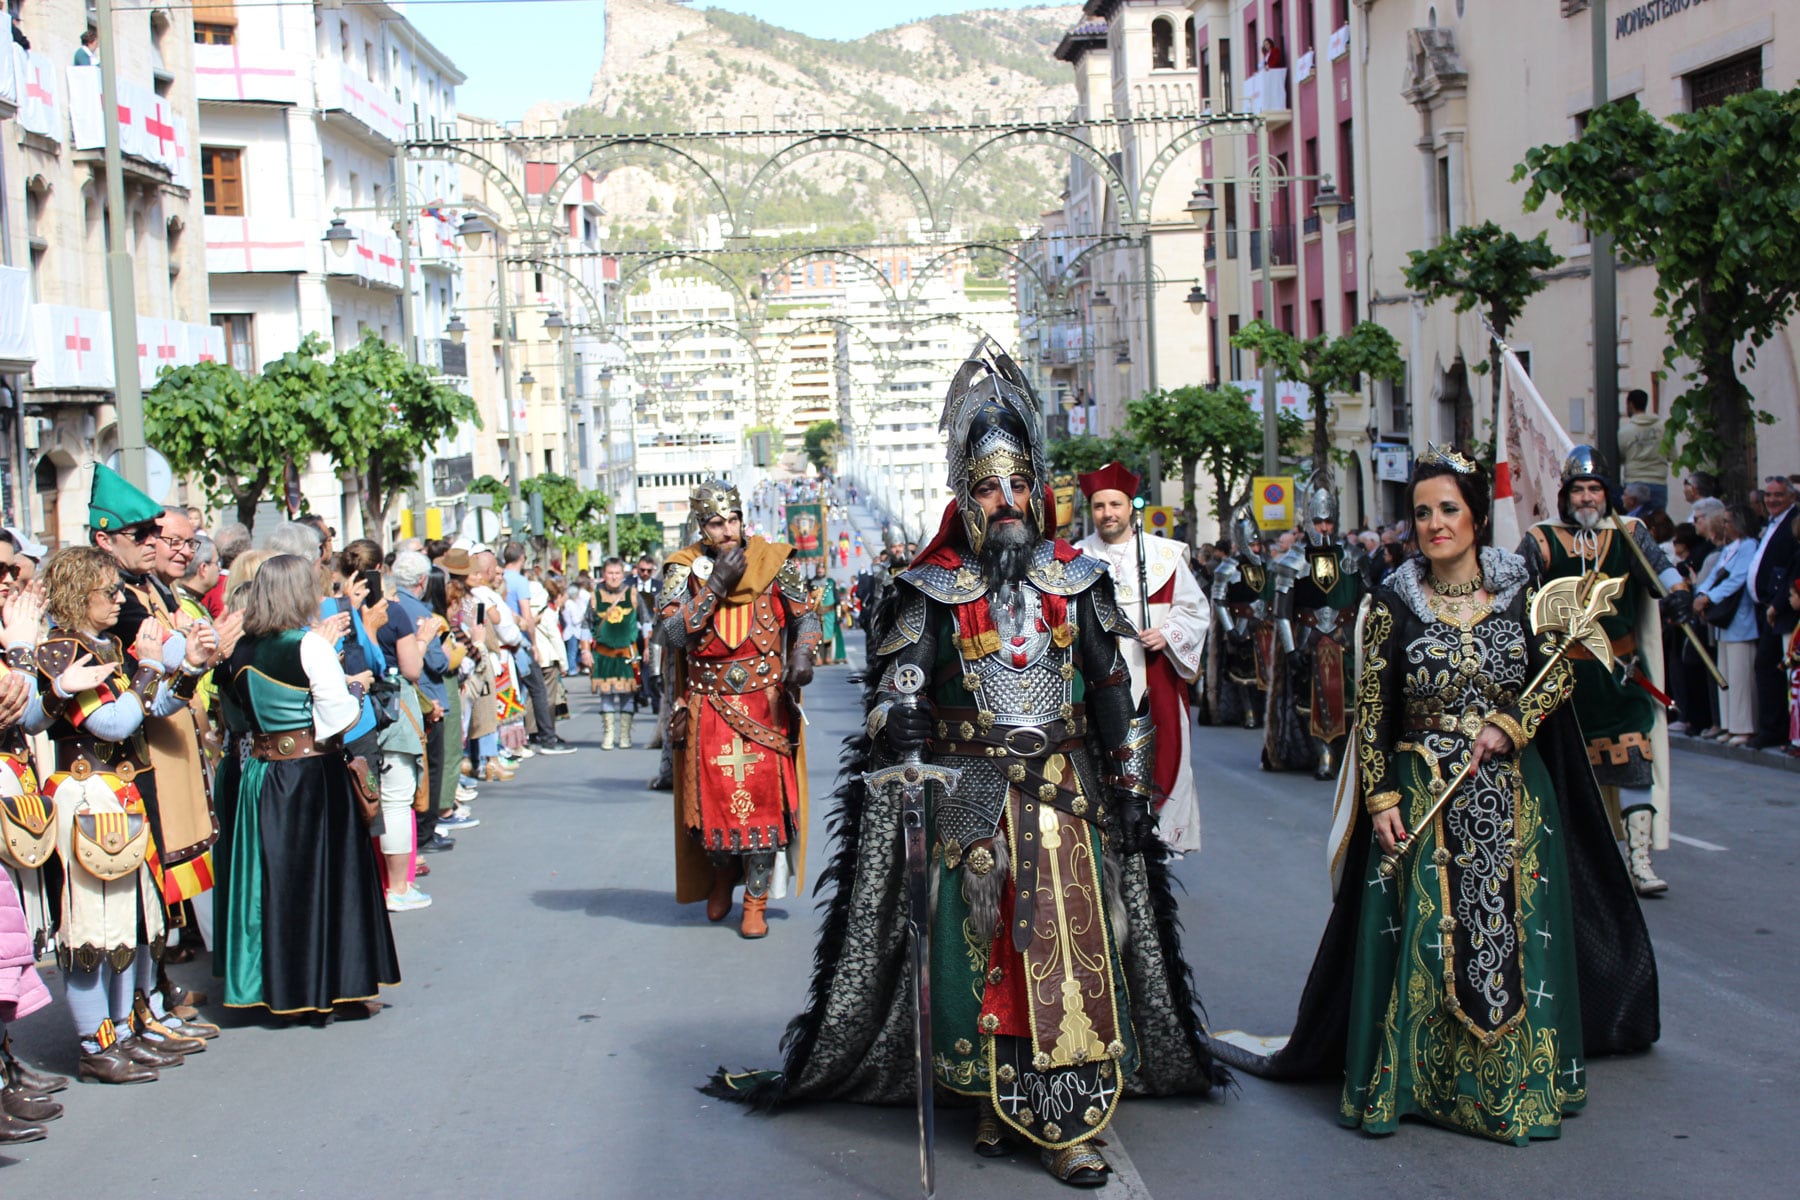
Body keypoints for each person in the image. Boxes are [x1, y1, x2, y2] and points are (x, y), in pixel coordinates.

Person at [703, 347, 1228, 1185]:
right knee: (979, 953)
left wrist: (1130, 789)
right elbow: (893, 695)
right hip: (972, 791)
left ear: (1041, 491)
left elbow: (1112, 696)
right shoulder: (929, 589)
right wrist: (900, 718)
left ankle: (1068, 1121)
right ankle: (991, 1094)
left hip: (1064, 790)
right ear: (965, 498)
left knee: (1072, 948)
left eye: (1019, 485)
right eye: (989, 488)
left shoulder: (1079, 581)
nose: (1009, 502)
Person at [1203, 447, 1659, 1144]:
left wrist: (1515, 722)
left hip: (1513, 802)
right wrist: (1382, 800)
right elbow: (1373, 709)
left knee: (1510, 940)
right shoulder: (1392, 601)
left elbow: (1554, 681)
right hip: (1424, 796)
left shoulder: (1519, 593)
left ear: (1476, 514)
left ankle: (1509, 1085)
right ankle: (1422, 1084)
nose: (1435, 524)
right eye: (1422, 512)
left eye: (1448, 509)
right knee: (1430, 943)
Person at [36, 546, 211, 1081]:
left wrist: (186, 671)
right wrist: (153, 665)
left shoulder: (104, 644)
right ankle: (96, 1044)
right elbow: (112, 723)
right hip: (87, 797)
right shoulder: (60, 651)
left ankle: (124, 1029)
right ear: (76, 593)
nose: (118, 599)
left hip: (123, 794)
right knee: (92, 927)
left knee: (135, 922)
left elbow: (150, 706)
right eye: (107, 591)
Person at [216, 555, 400, 1018]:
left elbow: (235, 716)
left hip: (262, 774)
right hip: (313, 774)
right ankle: (333, 986)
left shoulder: (240, 650)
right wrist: (355, 690)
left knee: (274, 881)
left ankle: (276, 987)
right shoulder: (309, 646)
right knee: (327, 878)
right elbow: (340, 717)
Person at [1518, 446, 1690, 898]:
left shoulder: (1629, 533)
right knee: (1567, 778)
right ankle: (1572, 867)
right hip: (1565, 681)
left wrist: (1680, 593)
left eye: (1595, 489)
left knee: (1635, 765)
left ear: (1606, 494)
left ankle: (1639, 862)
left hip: (1619, 675)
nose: (1588, 498)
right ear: (1566, 495)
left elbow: (1663, 570)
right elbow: (1517, 595)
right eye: (1579, 489)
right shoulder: (1541, 539)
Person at [657, 478, 818, 939]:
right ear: (701, 527)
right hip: (711, 702)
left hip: (764, 702)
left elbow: (806, 616)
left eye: (732, 520)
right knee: (712, 808)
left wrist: (802, 655)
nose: (727, 530)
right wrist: (715, 586)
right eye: (715, 523)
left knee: (766, 807)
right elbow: (669, 634)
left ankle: (756, 900)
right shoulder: (683, 569)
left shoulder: (773, 561)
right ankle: (723, 874)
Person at [1074, 460, 1211, 852]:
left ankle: (1159, 850)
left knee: (1164, 759)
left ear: (1130, 506)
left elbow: (1195, 610)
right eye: (1100, 506)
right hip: (1099, 685)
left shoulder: (1164, 555)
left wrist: (1168, 632)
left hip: (1156, 678)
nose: (1107, 514)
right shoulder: (1076, 558)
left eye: (1115, 505)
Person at [1265, 472, 1366, 781]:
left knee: (1352, 698)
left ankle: (1348, 755)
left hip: (1346, 639)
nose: (1324, 528)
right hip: (1309, 639)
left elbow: (1365, 601)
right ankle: (1322, 755)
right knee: (1313, 700)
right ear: (1309, 520)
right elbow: (1282, 613)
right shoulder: (1292, 561)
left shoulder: (1352, 556)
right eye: (1320, 521)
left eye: (1329, 522)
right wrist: (1292, 648)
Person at [1691, 505, 1759, 745]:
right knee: (1726, 674)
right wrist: (1701, 593)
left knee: (1741, 676)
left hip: (1739, 619)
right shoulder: (1730, 548)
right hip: (1722, 623)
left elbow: (1738, 578)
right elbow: (1714, 577)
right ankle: (1730, 723)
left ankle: (1744, 725)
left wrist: (1709, 598)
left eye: (1728, 521)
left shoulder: (1749, 545)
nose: (1724, 526)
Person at [1748, 475, 1798, 749]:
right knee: (1768, 667)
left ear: (1791, 496)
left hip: (1782, 609)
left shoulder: (1793, 522)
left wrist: (1778, 603)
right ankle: (1774, 728)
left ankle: (1777, 729)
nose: (1772, 500)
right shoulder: (1772, 522)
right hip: (1767, 607)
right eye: (1768, 495)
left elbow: (1792, 568)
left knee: (1774, 667)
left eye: (1778, 495)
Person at [589, 558, 640, 749]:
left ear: (623, 574)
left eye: (617, 573)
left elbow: (645, 623)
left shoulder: (633, 594)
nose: (614, 577)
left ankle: (625, 735)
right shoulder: (594, 596)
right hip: (603, 655)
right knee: (606, 695)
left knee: (627, 695)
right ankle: (608, 735)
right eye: (610, 573)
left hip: (626, 654)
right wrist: (585, 651)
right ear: (604, 574)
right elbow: (587, 625)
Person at [1616, 388, 1668, 512]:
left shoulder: (1625, 432)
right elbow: (1671, 455)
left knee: (1634, 526)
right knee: (1658, 525)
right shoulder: (1663, 428)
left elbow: (1621, 458)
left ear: (1630, 405)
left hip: (1634, 483)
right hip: (1658, 482)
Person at [811, 565, 844, 666]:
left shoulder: (830, 582)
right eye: (818, 569)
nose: (820, 570)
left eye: (822, 569)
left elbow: (837, 600)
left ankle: (827, 656)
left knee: (828, 636)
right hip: (816, 613)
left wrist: (838, 616)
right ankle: (817, 657)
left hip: (829, 614)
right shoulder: (811, 583)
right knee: (816, 637)